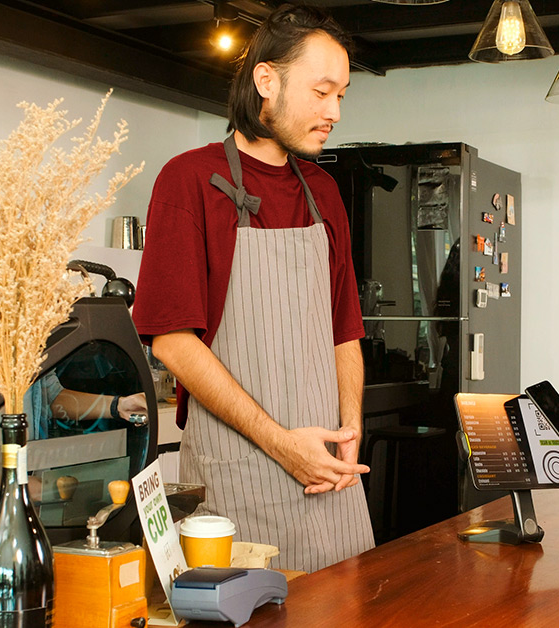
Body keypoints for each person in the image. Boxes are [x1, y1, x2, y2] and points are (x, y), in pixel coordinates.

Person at [131, 4, 374, 572]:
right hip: (235, 479)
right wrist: (283, 444)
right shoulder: (188, 181)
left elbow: (344, 333)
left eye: (341, 95)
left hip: (330, 478)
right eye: (321, 92)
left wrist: (351, 429)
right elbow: (171, 341)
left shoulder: (324, 191)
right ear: (267, 80)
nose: (334, 110)